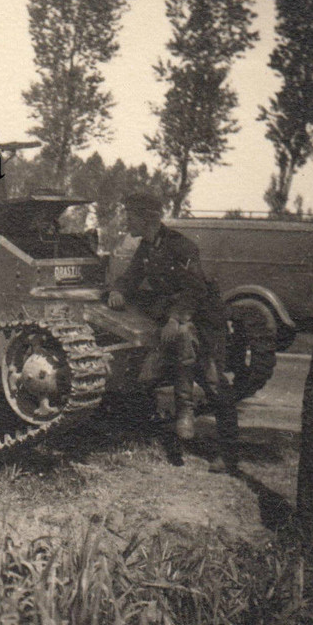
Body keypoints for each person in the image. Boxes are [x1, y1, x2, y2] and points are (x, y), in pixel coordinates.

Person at [107, 192, 238, 472]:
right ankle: (166, 421)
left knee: (214, 383)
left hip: (203, 322)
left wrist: (177, 318)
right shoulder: (146, 247)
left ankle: (227, 454)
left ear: (146, 218)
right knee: (148, 372)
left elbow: (196, 289)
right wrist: (118, 290)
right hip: (176, 323)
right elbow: (132, 277)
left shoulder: (182, 247)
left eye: (130, 215)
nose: (126, 220)